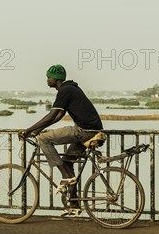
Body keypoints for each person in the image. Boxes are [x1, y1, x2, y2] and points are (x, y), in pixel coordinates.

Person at [18, 64, 104, 193]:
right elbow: (58, 115)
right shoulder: (70, 89)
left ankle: (66, 176)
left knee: (43, 139)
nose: (47, 80)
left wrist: (28, 130)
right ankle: (74, 205)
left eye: (49, 77)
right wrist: (38, 129)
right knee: (67, 163)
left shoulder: (65, 90)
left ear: (56, 79)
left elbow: (51, 115)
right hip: (91, 131)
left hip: (83, 131)